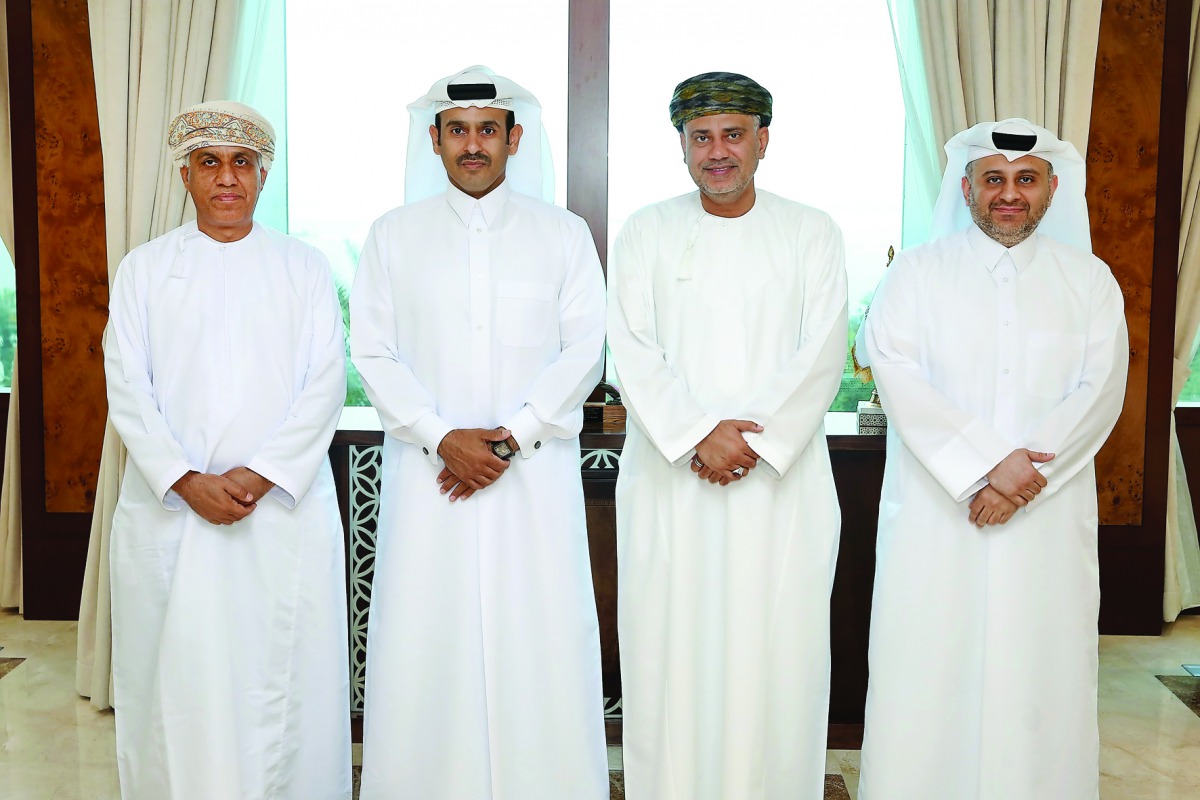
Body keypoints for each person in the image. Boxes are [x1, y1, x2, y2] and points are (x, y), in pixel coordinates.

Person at [350, 66, 609, 799]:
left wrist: (510, 438)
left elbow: (585, 349)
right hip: (430, 479)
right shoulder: (392, 237)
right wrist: (441, 437)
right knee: (428, 638)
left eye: (487, 131)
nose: (473, 145)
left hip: (531, 478)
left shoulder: (563, 235)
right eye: (458, 131)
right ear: (434, 141)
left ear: (513, 139)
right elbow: (372, 351)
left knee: (541, 635)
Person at [857, 118, 1129, 799]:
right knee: (927, 665)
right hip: (937, 511)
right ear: (968, 187)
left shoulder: (1088, 280)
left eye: (1026, 181)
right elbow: (894, 371)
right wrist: (985, 465)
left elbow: (1102, 388)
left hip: (1045, 513)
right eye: (995, 180)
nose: (1010, 194)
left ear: (1052, 189)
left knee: (1042, 668)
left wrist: (1018, 480)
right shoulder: (916, 275)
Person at [607, 71, 848, 800]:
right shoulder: (646, 229)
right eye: (702, 137)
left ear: (763, 141)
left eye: (733, 135)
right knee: (670, 652)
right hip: (670, 478)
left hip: (782, 482)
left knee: (778, 653)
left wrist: (753, 443)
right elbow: (631, 346)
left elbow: (823, 351)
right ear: (681, 146)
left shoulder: (812, 230)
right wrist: (695, 433)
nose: (718, 152)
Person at [104, 101, 351, 799]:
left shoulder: (304, 268)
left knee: (282, 680)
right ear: (185, 175)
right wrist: (185, 478)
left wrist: (259, 474)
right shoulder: (145, 270)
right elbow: (127, 386)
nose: (226, 178)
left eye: (241, 162)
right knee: (177, 678)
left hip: (277, 515)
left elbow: (324, 384)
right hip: (172, 514)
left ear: (262, 176)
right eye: (209, 162)